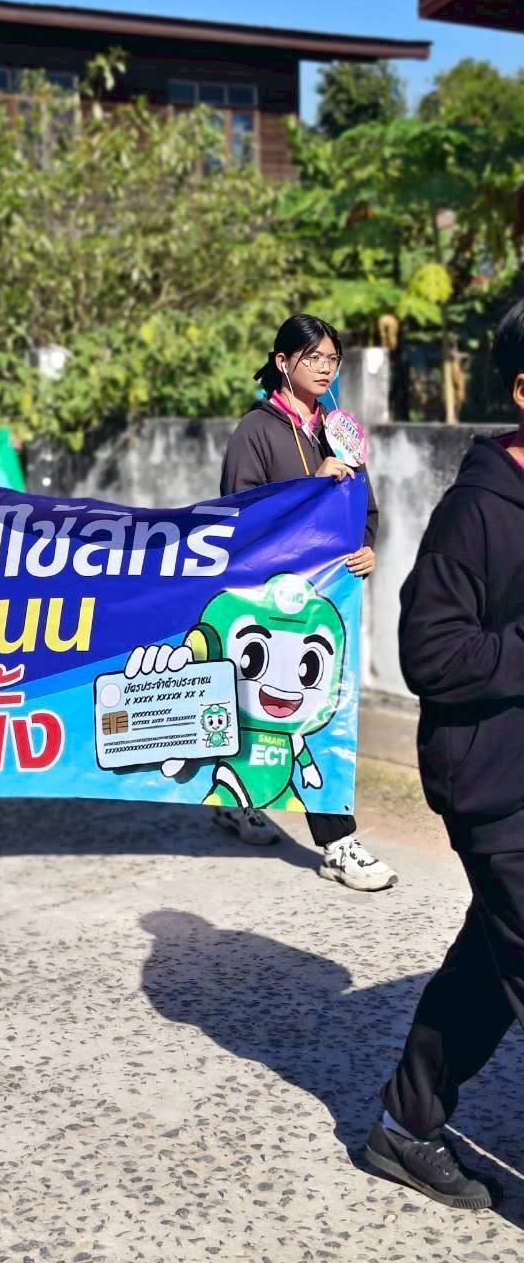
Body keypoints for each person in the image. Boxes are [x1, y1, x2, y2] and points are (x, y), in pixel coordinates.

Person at [364, 300, 524, 1211]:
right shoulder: (477, 509)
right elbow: (429, 653)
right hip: (495, 783)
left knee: (492, 964)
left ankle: (404, 1122)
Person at [219, 314, 398, 892]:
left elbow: (365, 507)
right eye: (312, 357)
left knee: (326, 716)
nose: (325, 368)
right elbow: (238, 515)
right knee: (258, 709)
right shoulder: (255, 431)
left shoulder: (340, 430)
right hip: (268, 603)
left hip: (328, 601)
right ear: (282, 361)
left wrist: (366, 548)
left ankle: (333, 841)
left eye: (331, 359)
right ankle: (248, 805)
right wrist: (312, 484)